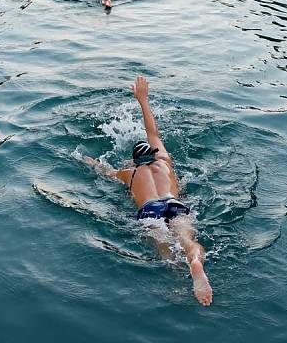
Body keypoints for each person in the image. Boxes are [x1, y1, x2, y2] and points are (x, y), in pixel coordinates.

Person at [83, 76, 213, 306]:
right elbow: (152, 131)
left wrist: (91, 162)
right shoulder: (164, 161)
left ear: (134, 161)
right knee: (186, 239)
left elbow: (104, 170)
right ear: (152, 153)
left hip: (149, 210)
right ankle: (195, 261)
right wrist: (143, 100)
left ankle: (177, 283)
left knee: (164, 247)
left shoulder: (129, 173)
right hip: (175, 204)